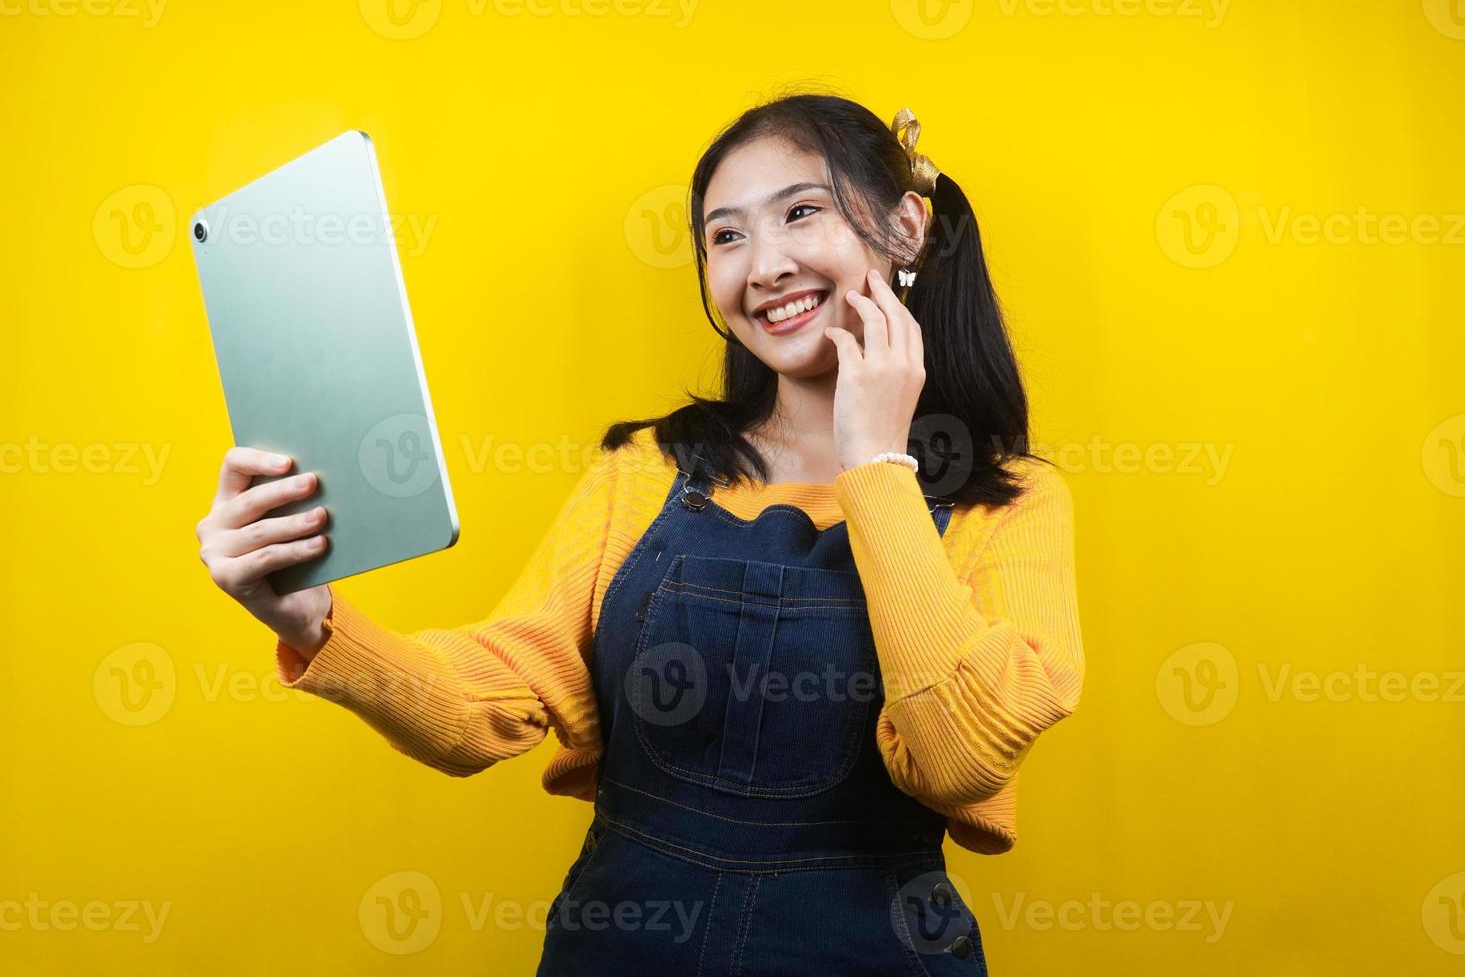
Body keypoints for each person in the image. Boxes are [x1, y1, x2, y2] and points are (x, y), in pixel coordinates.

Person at [195, 92, 1085, 975]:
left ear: (905, 229)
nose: (763, 266)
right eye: (725, 237)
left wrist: (878, 465)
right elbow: (484, 710)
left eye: (800, 213)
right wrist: (312, 621)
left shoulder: (1008, 507)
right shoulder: (649, 471)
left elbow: (956, 758)